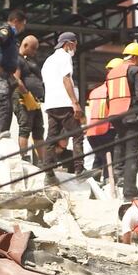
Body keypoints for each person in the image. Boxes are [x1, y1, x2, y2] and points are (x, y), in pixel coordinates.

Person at [106, 41, 138, 200]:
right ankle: (130, 192)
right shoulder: (136, 71)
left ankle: (119, 177)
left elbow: (108, 97)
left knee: (121, 145)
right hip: (132, 116)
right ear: (136, 57)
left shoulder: (112, 73)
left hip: (116, 116)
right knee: (133, 153)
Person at [41, 32, 84, 182]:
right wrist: (75, 103)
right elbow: (66, 79)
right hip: (65, 103)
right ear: (68, 44)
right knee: (78, 134)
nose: (75, 49)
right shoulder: (65, 57)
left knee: (51, 138)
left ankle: (49, 172)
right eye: (75, 45)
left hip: (51, 104)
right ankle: (79, 170)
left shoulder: (48, 60)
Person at [0, 10, 28, 146]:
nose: (22, 29)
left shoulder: (12, 35)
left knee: (7, 110)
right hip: (2, 75)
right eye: (22, 25)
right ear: (16, 21)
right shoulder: (6, 30)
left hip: (8, 75)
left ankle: (1, 143)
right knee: (3, 109)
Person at [85, 59, 122, 179]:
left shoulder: (96, 91)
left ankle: (93, 185)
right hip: (106, 131)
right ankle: (107, 184)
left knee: (99, 159)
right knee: (109, 160)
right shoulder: (115, 90)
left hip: (92, 133)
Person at [13, 36, 45, 162]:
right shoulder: (16, 59)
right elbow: (16, 79)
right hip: (23, 98)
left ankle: (43, 161)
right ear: (25, 45)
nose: (34, 52)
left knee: (38, 129)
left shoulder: (29, 60)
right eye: (33, 49)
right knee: (25, 128)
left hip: (35, 100)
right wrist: (26, 94)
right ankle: (24, 159)